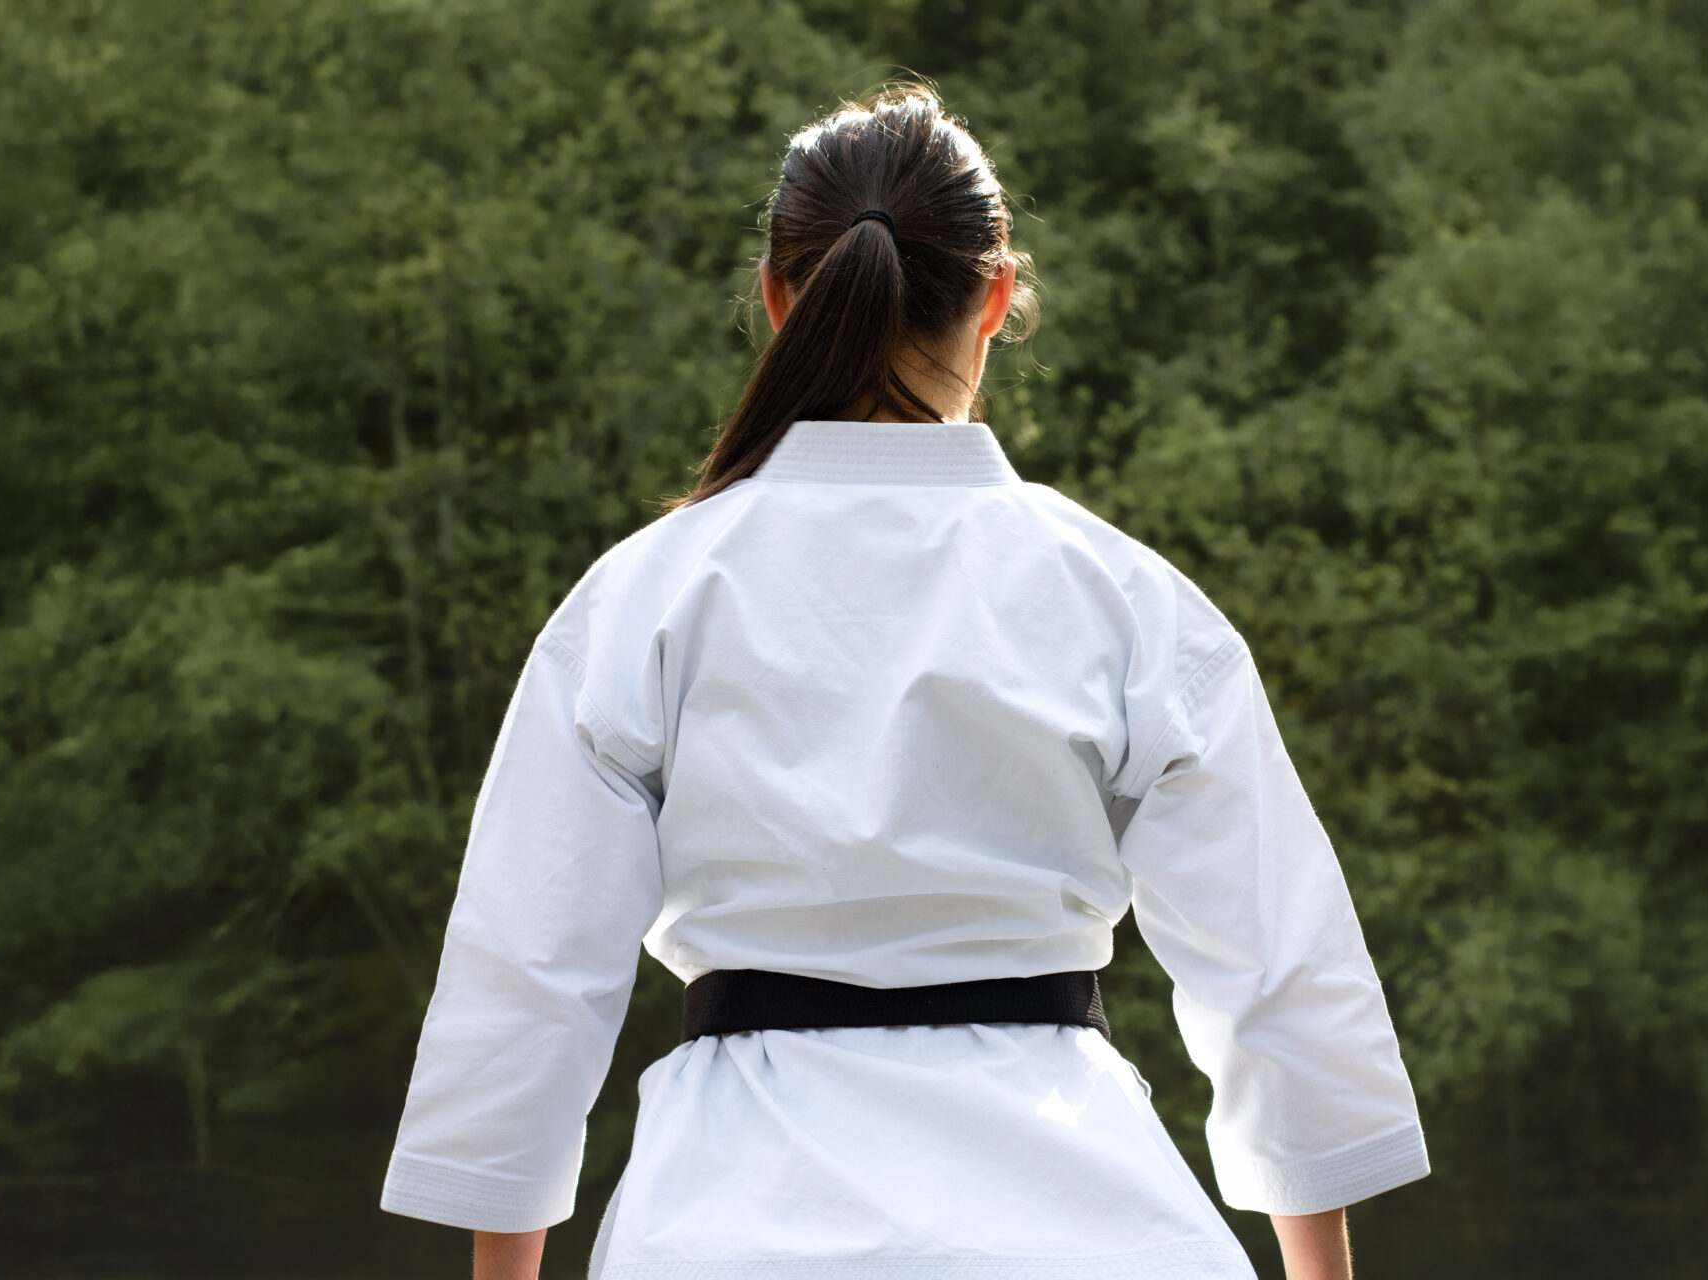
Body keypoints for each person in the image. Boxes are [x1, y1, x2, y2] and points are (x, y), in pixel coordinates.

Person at [380, 83, 1428, 1280]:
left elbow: (529, 982)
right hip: (1095, 1233)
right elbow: (1280, 974)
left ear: (779, 300)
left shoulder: (642, 599)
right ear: (994, 297)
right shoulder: (1122, 596)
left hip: (729, 1229)